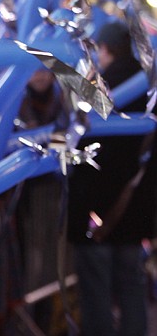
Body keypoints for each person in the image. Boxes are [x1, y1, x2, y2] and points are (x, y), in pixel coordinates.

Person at [67, 20, 155, 336]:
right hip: (135, 209)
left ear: (105, 49)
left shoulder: (99, 92)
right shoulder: (150, 90)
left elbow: (76, 142)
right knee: (132, 286)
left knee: (96, 290)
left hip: (95, 212)